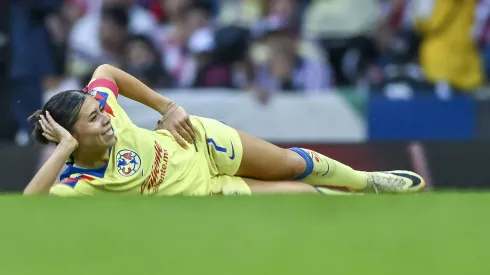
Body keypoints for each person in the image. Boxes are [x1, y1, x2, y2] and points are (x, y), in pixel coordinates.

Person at [24, 64, 426, 196]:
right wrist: (64, 149)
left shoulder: (105, 106)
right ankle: (369, 210)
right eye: (93, 119)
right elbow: (29, 205)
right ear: (72, 136)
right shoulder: (79, 185)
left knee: (287, 163)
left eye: (100, 110)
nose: (106, 117)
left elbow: (106, 71)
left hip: (198, 141)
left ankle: (368, 180)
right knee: (305, 197)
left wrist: (168, 106)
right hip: (211, 193)